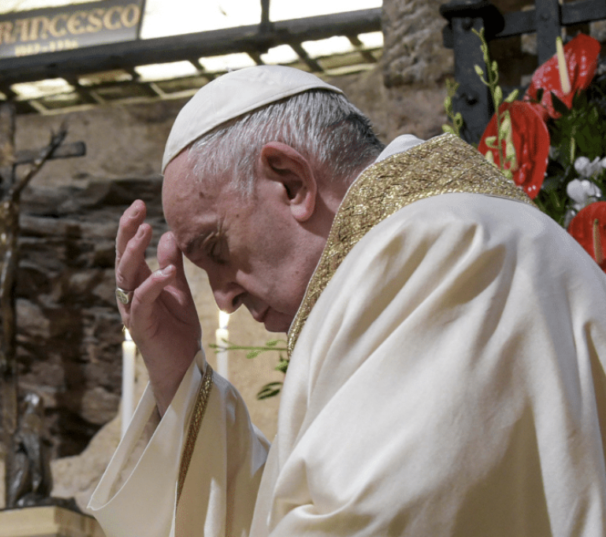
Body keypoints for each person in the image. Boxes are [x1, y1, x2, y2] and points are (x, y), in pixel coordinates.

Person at [88, 65, 606, 536]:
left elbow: (374, 521)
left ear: (291, 182)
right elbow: (297, 508)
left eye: (216, 249)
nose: (223, 300)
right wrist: (179, 376)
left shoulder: (444, 251)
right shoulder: (428, 247)